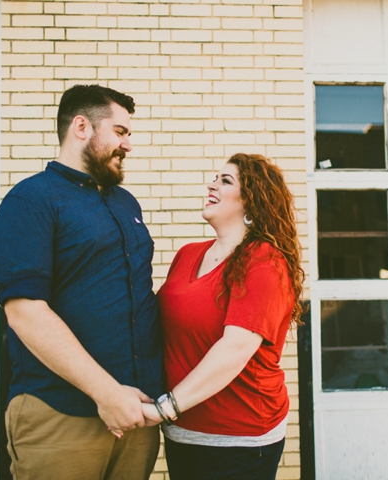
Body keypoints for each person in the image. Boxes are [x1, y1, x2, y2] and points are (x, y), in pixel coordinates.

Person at [0, 84, 162, 480]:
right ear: (81, 127)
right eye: (120, 132)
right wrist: (107, 393)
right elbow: (25, 313)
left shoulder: (125, 202)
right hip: (60, 415)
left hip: (136, 415)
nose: (128, 145)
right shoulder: (31, 201)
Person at [143, 153, 306, 480]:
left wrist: (165, 407)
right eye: (215, 178)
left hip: (239, 439)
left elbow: (235, 349)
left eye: (225, 181)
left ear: (252, 201)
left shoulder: (265, 262)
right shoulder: (188, 254)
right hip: (182, 430)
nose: (211, 184)